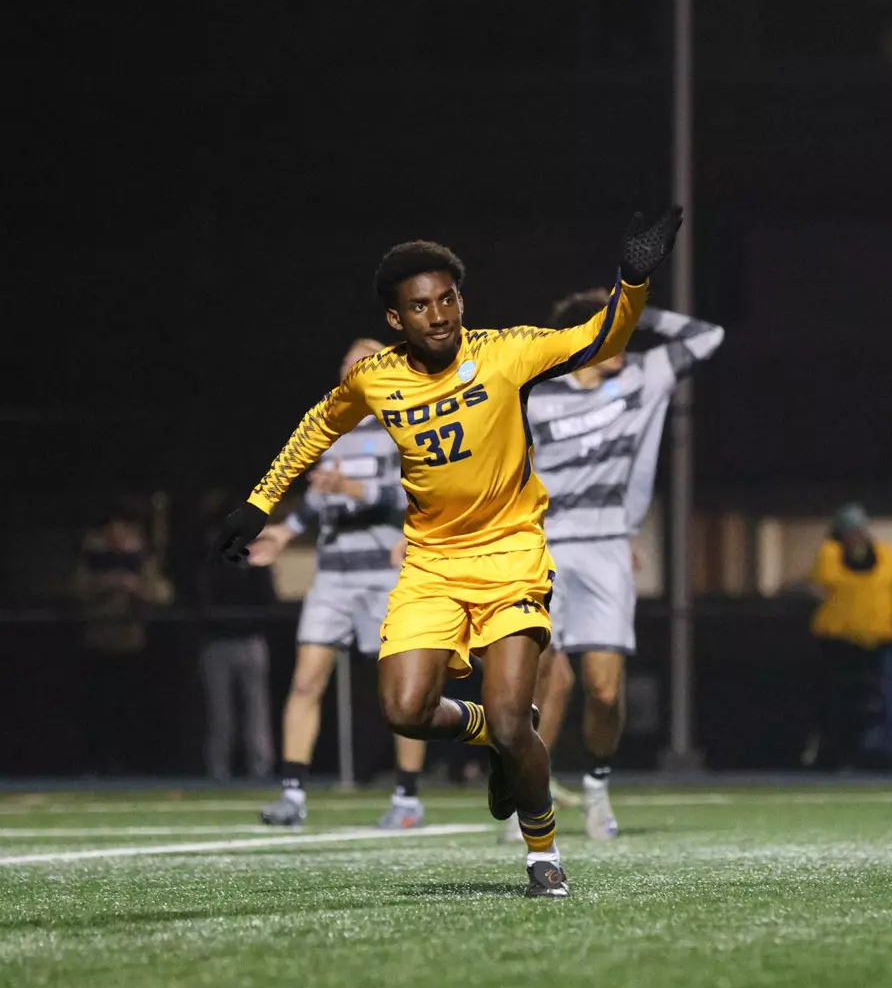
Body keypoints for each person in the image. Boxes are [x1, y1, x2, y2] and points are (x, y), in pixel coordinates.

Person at [211, 208, 682, 898]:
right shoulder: (375, 377)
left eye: (447, 299)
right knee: (405, 710)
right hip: (430, 565)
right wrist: (258, 506)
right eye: (420, 306)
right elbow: (315, 429)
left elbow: (599, 335)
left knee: (518, 717)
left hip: (511, 557)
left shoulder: (504, 352)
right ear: (397, 319)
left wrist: (633, 279)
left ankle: (541, 851)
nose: (437, 315)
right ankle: (493, 734)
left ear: (461, 301)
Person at [497, 293, 724, 843]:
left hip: (605, 549)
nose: (622, 344)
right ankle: (526, 794)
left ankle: (596, 787)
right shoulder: (535, 397)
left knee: (604, 690)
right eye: (610, 333)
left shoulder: (642, 377)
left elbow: (707, 336)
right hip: (542, 546)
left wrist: (637, 312)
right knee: (540, 675)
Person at [247, 339, 417, 829]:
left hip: (386, 574)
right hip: (334, 574)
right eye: (345, 362)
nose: (349, 368)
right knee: (305, 681)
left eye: (360, 361)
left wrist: (354, 489)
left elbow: (418, 492)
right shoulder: (329, 429)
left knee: (402, 692)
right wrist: (286, 530)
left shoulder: (403, 424)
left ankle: (407, 799)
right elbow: (321, 499)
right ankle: (293, 795)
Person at [806, 504, 892, 770]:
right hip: (837, 646)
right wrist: (841, 553)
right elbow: (823, 578)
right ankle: (836, 755)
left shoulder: (885, 556)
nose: (855, 537)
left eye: (859, 530)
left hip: (875, 647)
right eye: (849, 531)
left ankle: (864, 752)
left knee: (870, 704)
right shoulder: (830, 556)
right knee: (837, 703)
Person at [74, 504, 174, 774]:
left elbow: (163, 594)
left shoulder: (142, 560)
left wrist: (134, 585)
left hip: (133, 643)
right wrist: (108, 583)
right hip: (99, 643)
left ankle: (131, 764)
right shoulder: (93, 559)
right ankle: (97, 764)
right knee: (99, 710)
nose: (117, 536)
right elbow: (78, 591)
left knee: (131, 710)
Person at [197, 503, 277, 781]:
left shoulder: (255, 562)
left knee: (257, 710)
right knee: (221, 712)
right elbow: (204, 603)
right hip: (217, 644)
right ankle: (219, 770)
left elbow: (268, 600)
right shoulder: (211, 564)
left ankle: (261, 769)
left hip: (252, 641)